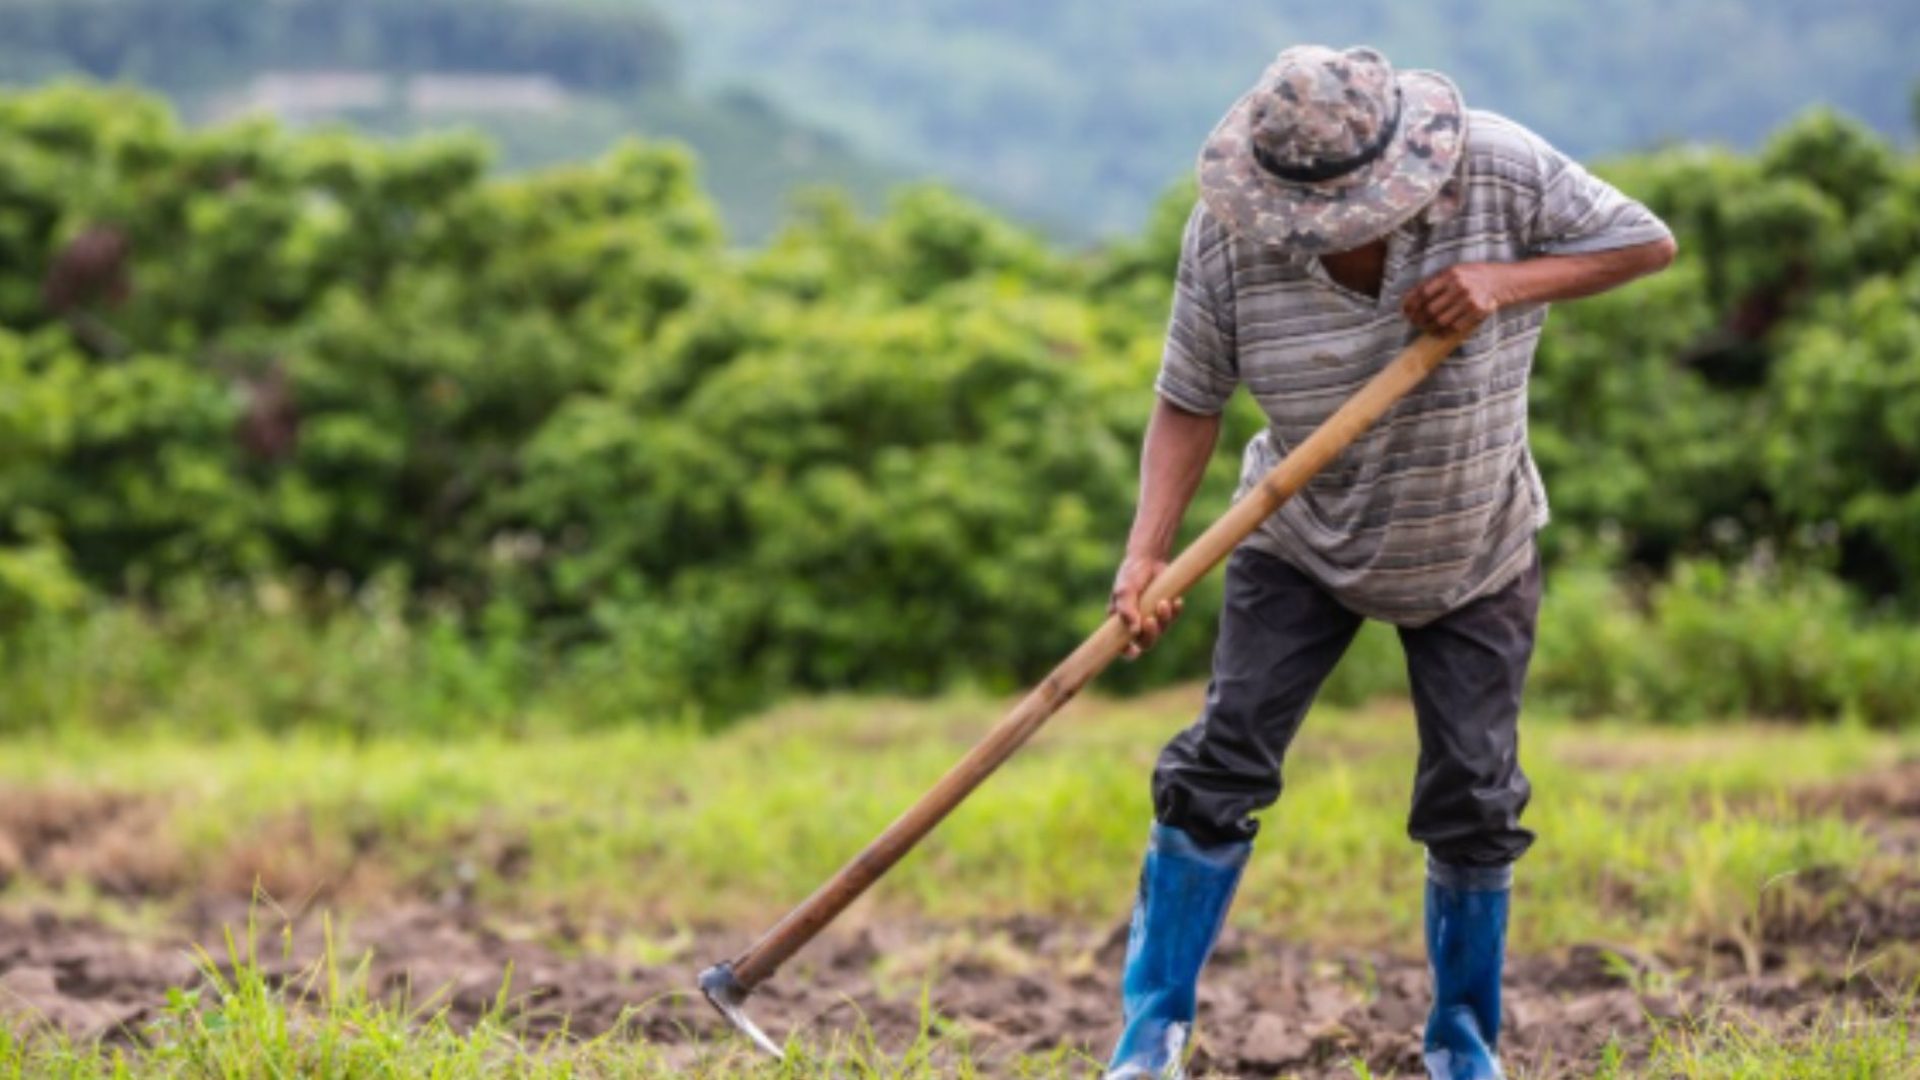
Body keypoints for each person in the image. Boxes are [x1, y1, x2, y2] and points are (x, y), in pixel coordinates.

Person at [1104, 44, 1676, 1080]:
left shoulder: (1497, 168)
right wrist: (1148, 557)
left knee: (1474, 797)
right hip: (1297, 534)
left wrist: (1504, 282)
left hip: (1473, 541)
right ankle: (1150, 1039)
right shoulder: (1229, 234)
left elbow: (1645, 242)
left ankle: (1463, 1046)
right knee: (1218, 769)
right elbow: (1189, 397)